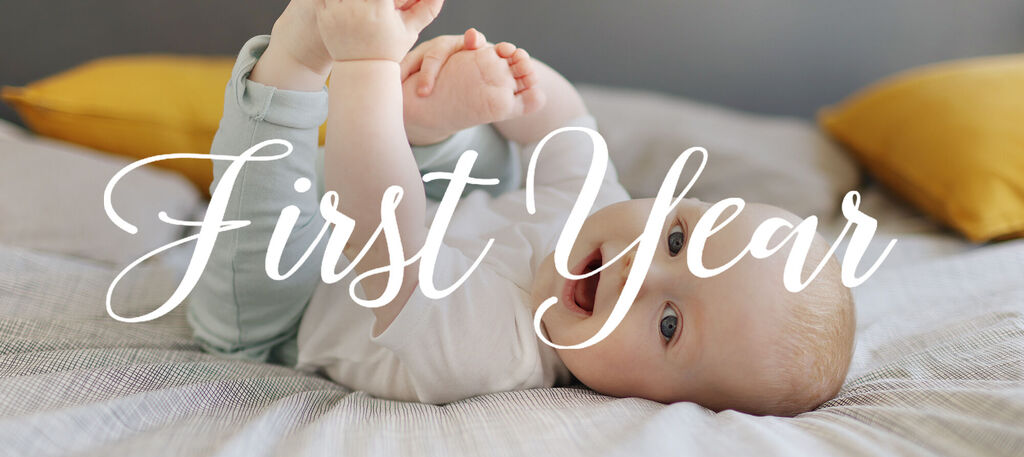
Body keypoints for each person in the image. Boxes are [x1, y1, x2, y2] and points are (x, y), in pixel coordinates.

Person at [188, 0, 855, 416]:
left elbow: (378, 235)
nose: (635, 276)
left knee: (272, 195)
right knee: (494, 153)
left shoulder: (490, 354)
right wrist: (521, 87)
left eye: (671, 324)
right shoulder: (606, 209)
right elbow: (567, 128)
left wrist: (363, 67)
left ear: (663, 406)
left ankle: (298, 62)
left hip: (286, 312)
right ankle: (428, 125)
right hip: (409, 220)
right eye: (676, 240)